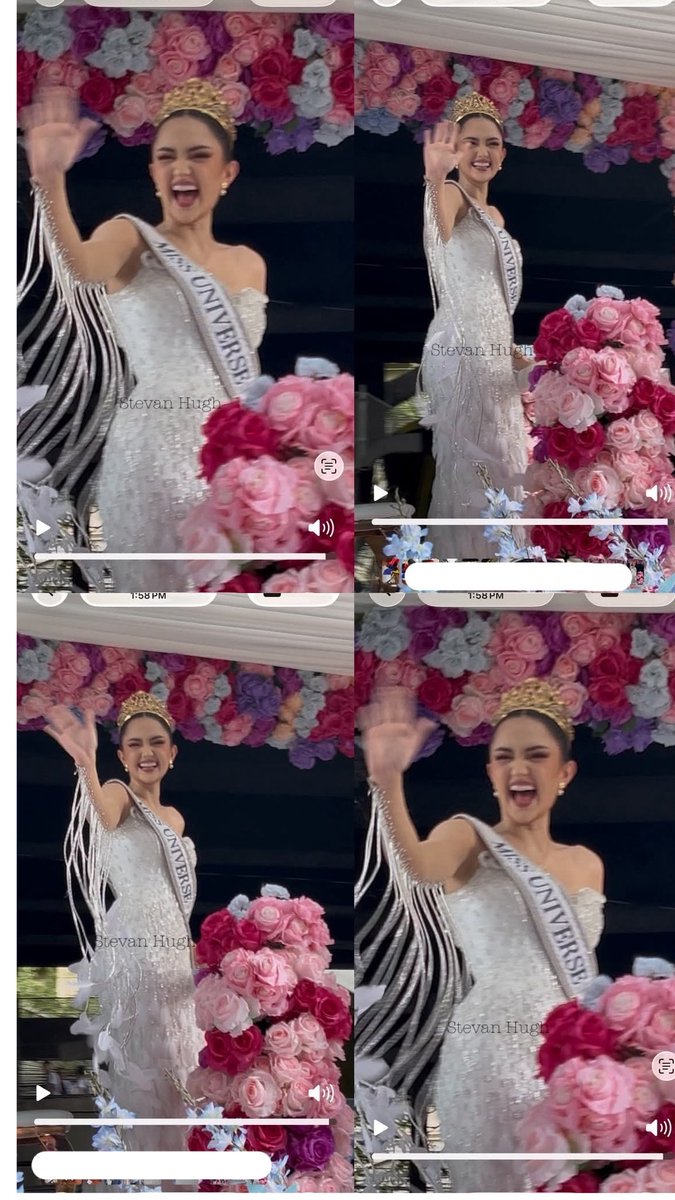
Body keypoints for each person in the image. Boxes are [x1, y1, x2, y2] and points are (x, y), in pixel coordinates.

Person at [357, 680, 606, 1192]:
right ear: (491, 772)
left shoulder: (588, 864)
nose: (520, 768)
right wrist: (388, 782)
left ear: (565, 773)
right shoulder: (467, 836)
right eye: (505, 756)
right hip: (489, 1053)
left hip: (570, 1060)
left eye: (537, 756)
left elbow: (583, 977)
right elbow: (419, 867)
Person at [19, 81, 267, 590]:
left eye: (199, 156)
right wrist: (50, 182)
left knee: (232, 595)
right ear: (154, 172)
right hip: (151, 452)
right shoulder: (129, 236)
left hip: (232, 461)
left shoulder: (250, 263)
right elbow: (81, 267)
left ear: (227, 173)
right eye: (167, 157)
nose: (182, 168)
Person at [44, 692, 203, 1153]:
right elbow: (105, 813)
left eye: (156, 742)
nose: (146, 752)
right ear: (122, 755)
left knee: (183, 1058)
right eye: (134, 744)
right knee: (146, 1059)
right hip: (136, 945)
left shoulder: (176, 816)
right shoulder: (116, 792)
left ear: (172, 754)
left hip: (175, 951)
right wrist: (86, 764)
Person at [418, 94, 532, 559]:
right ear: (457, 152)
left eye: (492, 143)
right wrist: (434, 177)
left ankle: (505, 559)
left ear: (503, 156)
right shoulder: (451, 194)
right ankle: (469, 559)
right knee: (472, 457)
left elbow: (493, 297)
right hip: (462, 351)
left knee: (506, 457)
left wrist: (511, 352)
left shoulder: (498, 217)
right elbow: (440, 234)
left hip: (495, 356)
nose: (482, 152)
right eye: (471, 143)